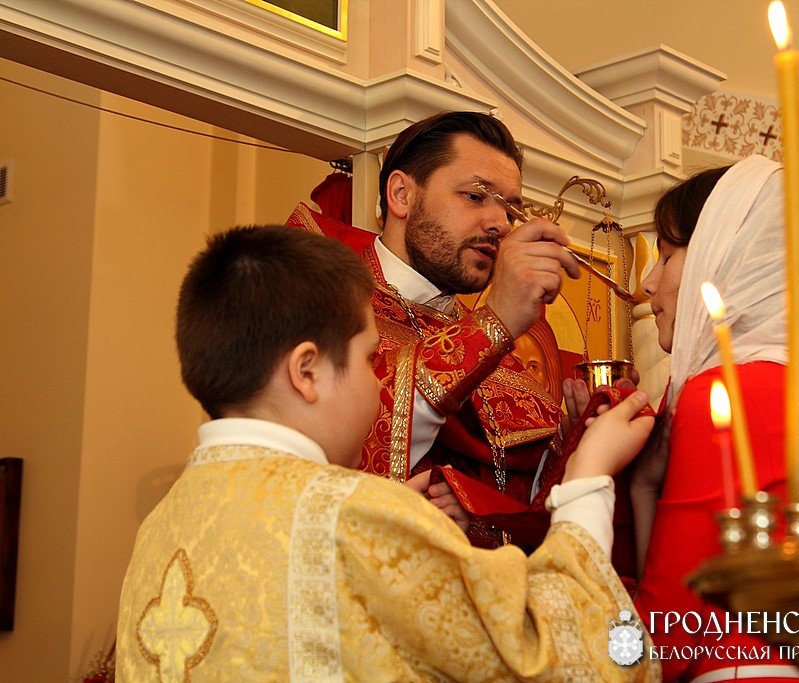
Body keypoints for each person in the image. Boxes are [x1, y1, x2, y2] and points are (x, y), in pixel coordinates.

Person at [116, 225, 659, 680]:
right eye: (370, 359)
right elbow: (579, 661)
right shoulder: (355, 514)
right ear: (307, 372)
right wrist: (589, 476)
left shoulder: (160, 527)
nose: (380, 387)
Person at [628, 156, 799, 681]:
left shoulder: (727, 390)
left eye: (667, 256)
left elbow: (664, 638)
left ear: (724, 260)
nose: (647, 284)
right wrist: (644, 489)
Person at [293, 112, 583, 549]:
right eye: (475, 196)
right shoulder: (318, 299)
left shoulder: (496, 340)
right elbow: (331, 460)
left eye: (510, 208)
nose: (500, 224)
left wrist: (573, 444)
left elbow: (520, 496)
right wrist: (495, 322)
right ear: (402, 195)